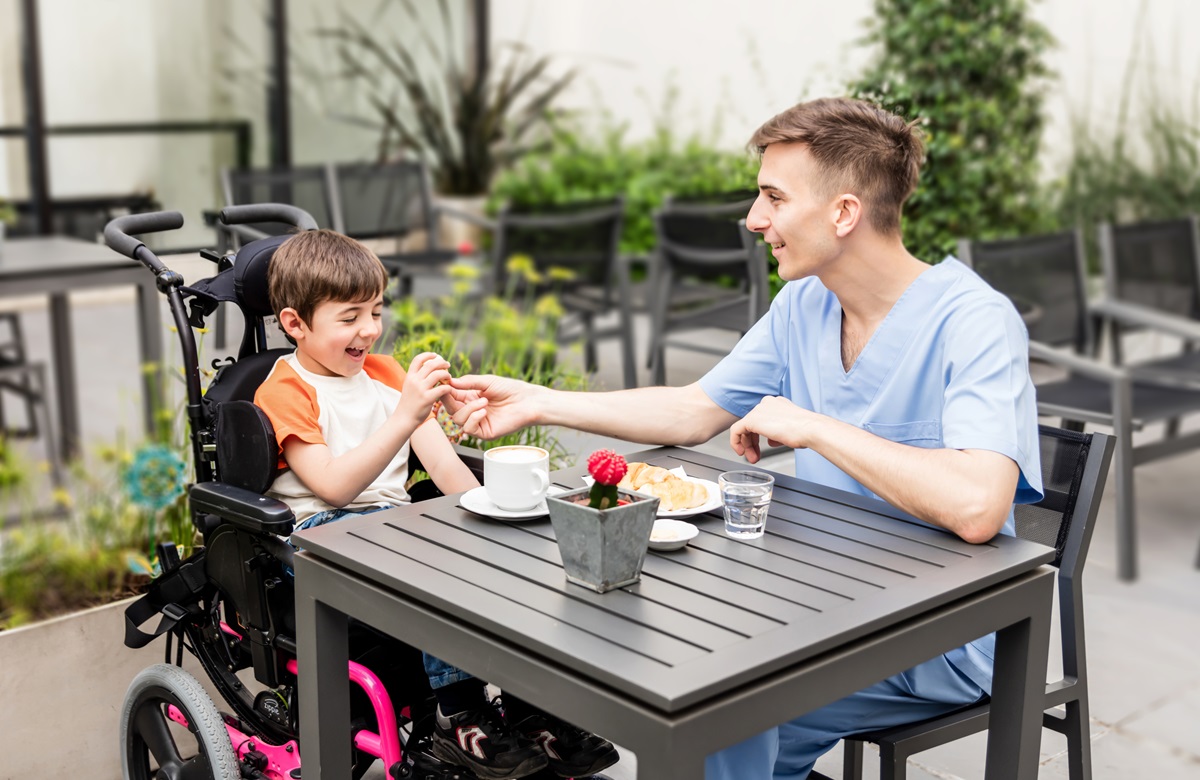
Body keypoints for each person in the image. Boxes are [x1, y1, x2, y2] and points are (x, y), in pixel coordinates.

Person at [445, 97, 1043, 779]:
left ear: (843, 213)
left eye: (773, 198)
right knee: (665, 679)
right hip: (815, 604)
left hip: (933, 637)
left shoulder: (975, 322)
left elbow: (977, 507)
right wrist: (540, 403)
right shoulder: (804, 304)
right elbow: (693, 410)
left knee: (719, 714)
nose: (755, 219)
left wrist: (813, 426)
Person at [254, 229, 619, 780]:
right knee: (429, 553)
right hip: (318, 535)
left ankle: (531, 706)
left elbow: (448, 472)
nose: (369, 330)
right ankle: (457, 716)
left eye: (376, 311)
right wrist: (404, 415)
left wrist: (505, 516)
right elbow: (332, 487)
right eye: (349, 317)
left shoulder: (384, 372)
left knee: (496, 543)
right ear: (295, 324)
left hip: (389, 525)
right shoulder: (284, 389)